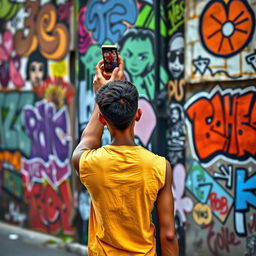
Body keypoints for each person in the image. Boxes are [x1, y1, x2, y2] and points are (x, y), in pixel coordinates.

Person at [72, 56, 179, 256]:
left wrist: (100, 98)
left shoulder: (90, 163)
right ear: (137, 115)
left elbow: (87, 140)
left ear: (103, 119)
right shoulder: (160, 167)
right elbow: (169, 235)